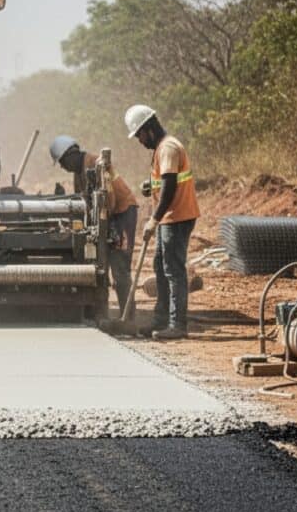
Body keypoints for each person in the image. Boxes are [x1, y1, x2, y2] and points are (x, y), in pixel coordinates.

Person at [125, 105, 200, 340]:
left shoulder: (167, 147)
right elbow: (164, 182)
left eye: (139, 135)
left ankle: (177, 325)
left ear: (148, 128)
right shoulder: (161, 148)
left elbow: (169, 187)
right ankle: (160, 320)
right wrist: (151, 185)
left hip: (176, 217)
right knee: (160, 267)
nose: (139, 140)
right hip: (170, 216)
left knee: (173, 271)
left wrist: (154, 219)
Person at [50, 135, 138, 314]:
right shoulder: (79, 172)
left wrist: (106, 227)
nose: (62, 167)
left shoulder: (95, 163)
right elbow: (82, 202)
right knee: (101, 265)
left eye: (62, 162)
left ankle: (128, 318)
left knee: (119, 267)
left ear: (70, 154)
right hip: (107, 218)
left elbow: (109, 199)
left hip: (120, 214)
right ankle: (100, 312)